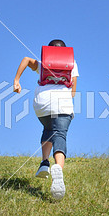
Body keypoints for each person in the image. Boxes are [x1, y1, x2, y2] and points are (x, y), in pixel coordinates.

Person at [13, 39, 79, 200]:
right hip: (62, 104)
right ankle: (58, 168)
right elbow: (73, 90)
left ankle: (44, 163)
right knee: (60, 134)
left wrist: (16, 81)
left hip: (42, 104)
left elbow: (26, 59)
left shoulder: (43, 63)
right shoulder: (72, 64)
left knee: (48, 129)